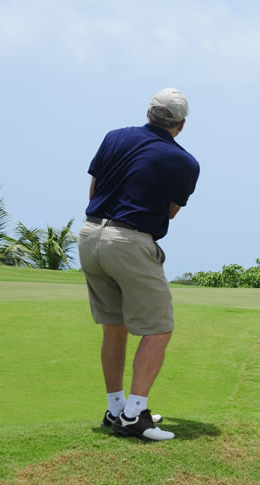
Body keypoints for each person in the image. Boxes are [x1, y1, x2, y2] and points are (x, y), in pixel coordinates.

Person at [78, 88, 200, 441]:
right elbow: (171, 213)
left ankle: (116, 408)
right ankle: (134, 415)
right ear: (181, 124)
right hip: (129, 241)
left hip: (89, 235)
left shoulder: (113, 137)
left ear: (149, 112)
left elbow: (94, 192)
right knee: (159, 327)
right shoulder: (186, 163)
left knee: (114, 325)